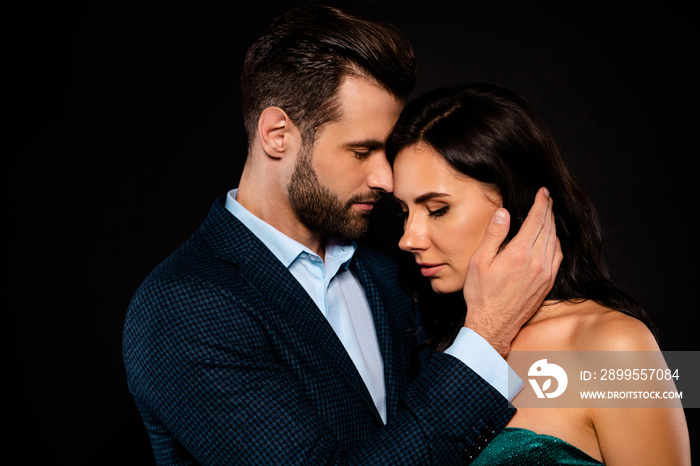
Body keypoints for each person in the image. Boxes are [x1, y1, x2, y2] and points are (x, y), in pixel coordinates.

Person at [122, 6, 562, 464]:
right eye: (361, 150)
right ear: (277, 134)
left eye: (386, 151)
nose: (386, 179)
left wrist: (616, 373)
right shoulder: (183, 306)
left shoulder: (390, 268)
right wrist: (488, 334)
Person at [388, 82, 691, 465]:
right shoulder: (430, 345)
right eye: (403, 211)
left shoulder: (612, 346)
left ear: (517, 203)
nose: (408, 239)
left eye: (437, 209)